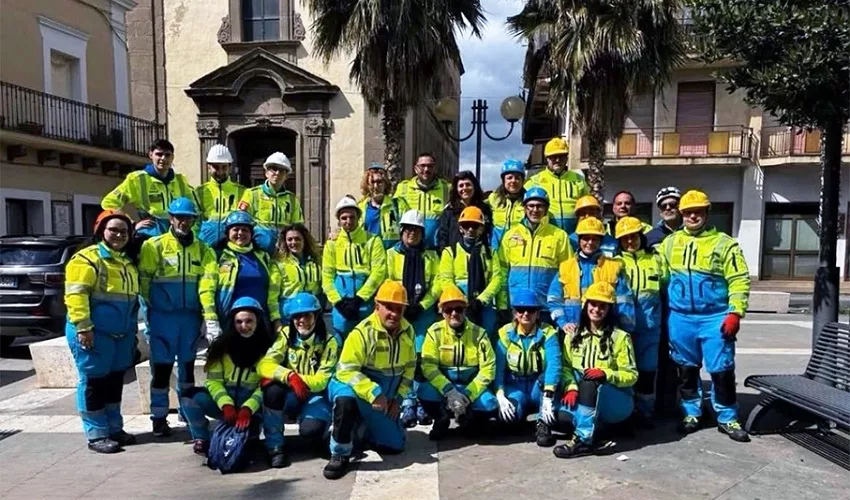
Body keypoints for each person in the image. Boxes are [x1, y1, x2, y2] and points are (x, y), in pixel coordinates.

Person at [658, 190, 751, 442]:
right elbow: (660, 276)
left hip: (715, 317)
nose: (693, 216)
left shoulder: (725, 243)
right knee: (686, 370)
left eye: (698, 211)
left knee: (721, 369)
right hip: (680, 318)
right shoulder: (670, 243)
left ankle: (728, 417)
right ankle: (691, 412)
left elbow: (739, 279)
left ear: (707, 213)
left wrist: (735, 312)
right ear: (682, 214)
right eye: (688, 212)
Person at [138, 197, 217, 437]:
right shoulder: (154, 246)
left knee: (187, 369)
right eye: (179, 217)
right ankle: (159, 417)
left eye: (188, 217)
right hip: (163, 318)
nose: (183, 221)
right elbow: (144, 282)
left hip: (190, 319)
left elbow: (208, 284)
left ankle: (188, 410)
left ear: (194, 220)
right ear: (170, 218)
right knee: (161, 370)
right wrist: (148, 314)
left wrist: (209, 318)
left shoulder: (204, 249)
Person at [64, 210, 140, 453]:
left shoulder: (127, 261)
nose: (118, 235)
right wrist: (84, 328)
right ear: (101, 231)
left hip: (120, 334)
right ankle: (96, 434)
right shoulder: (86, 259)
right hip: (94, 334)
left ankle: (114, 428)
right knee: (93, 382)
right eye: (113, 230)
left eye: (123, 231)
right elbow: (76, 295)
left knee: (114, 381)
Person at [324, 281, 416, 480]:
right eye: (389, 308)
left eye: (399, 309)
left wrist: (398, 400)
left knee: (395, 445)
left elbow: (409, 370)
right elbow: (346, 371)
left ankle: (360, 428)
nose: (394, 314)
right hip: (353, 390)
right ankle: (339, 453)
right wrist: (373, 392)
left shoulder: (408, 331)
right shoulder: (362, 333)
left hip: (382, 399)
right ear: (377, 307)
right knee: (345, 403)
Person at [553, 282, 638, 459]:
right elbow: (566, 367)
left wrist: (607, 374)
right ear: (586, 305)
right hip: (584, 399)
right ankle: (599, 432)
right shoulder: (573, 335)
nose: (597, 310)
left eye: (602, 306)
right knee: (558, 417)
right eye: (593, 304)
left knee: (589, 382)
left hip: (615, 400)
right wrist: (570, 388)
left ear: (609, 309)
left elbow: (631, 375)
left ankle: (583, 441)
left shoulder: (620, 337)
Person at [180, 297, 274, 457]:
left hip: (251, 408)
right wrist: (226, 405)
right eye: (239, 322)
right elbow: (213, 381)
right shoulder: (220, 347)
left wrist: (247, 408)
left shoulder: (269, 350)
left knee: (245, 447)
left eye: (249, 321)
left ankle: (255, 433)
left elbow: (265, 388)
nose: (244, 326)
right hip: (224, 404)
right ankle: (202, 439)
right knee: (189, 399)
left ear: (258, 321)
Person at [258, 293, 340, 468]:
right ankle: (275, 447)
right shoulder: (286, 335)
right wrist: (289, 376)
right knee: (272, 391)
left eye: (307, 315)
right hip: (292, 392)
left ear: (317, 316)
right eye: (297, 316)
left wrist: (298, 379)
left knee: (311, 431)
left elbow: (321, 380)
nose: (301, 320)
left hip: (314, 396)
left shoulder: (329, 342)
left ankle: (322, 433)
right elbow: (264, 364)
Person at [419, 285, 498, 440]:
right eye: (448, 310)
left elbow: (488, 369)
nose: (454, 313)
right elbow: (428, 367)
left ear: (465, 310)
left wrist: (467, 396)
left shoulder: (479, 334)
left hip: (470, 386)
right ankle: (441, 419)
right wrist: (449, 391)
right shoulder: (434, 333)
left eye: (458, 309)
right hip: (445, 387)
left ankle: (469, 420)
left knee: (490, 404)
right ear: (441, 312)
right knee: (424, 391)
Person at [386, 209, 441, 428]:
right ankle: (407, 401)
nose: (412, 234)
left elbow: (437, 282)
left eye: (416, 230)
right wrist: (399, 306)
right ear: (401, 231)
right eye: (408, 229)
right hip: (399, 314)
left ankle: (420, 401)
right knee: (403, 358)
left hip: (422, 314)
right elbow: (386, 282)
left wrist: (423, 305)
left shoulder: (430, 256)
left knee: (421, 358)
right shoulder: (391, 255)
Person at [614, 217, 668, 423]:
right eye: (625, 238)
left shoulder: (656, 260)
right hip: (622, 329)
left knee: (647, 372)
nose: (630, 241)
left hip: (650, 328)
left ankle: (645, 412)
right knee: (624, 372)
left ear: (640, 236)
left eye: (633, 236)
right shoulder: (615, 263)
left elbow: (665, 287)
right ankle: (625, 414)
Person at [493, 288, 561, 447]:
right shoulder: (505, 333)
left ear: (538, 313)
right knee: (508, 417)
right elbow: (498, 368)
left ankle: (542, 424)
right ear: (514, 313)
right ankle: (521, 415)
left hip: (538, 384)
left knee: (553, 406)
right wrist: (500, 394)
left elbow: (554, 364)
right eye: (520, 310)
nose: (525, 314)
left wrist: (548, 395)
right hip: (514, 384)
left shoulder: (548, 333)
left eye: (531, 310)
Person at [200, 211, 280, 339]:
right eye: (235, 230)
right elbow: (206, 289)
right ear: (227, 233)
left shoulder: (263, 256)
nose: (240, 233)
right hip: (229, 322)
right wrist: (211, 320)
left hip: (260, 321)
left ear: (251, 234)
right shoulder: (217, 255)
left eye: (245, 230)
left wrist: (275, 318)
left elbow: (273, 291)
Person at [548, 217, 635, 333]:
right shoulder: (565, 267)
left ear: (601, 241)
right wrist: (563, 323)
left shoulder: (613, 267)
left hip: (605, 332)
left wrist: (624, 331)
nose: (590, 242)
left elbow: (624, 302)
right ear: (579, 240)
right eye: (586, 238)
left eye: (594, 239)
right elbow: (553, 299)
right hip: (573, 331)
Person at [499, 187, 572, 324]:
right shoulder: (510, 235)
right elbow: (502, 272)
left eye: (540, 206)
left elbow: (567, 273)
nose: (535, 210)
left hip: (545, 307)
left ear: (546, 209)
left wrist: (563, 304)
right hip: (517, 306)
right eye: (531, 205)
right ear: (525, 208)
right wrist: (503, 304)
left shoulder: (559, 236)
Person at [101, 139, 196, 239]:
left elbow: (194, 206)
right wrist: (131, 224)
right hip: (150, 233)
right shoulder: (137, 179)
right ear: (151, 155)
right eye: (159, 154)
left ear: (172, 157)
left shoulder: (181, 180)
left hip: (177, 232)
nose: (163, 158)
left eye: (167, 155)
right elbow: (109, 203)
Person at [323, 196, 387, 339]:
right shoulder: (332, 244)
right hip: (341, 304)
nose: (348, 221)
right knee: (340, 343)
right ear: (338, 220)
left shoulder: (373, 240)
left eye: (352, 217)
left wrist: (360, 298)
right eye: (344, 218)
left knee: (368, 341)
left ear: (358, 217)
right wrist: (338, 302)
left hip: (366, 303)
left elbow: (378, 272)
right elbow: (327, 277)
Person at [438, 206, 504, 336]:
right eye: (466, 225)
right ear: (460, 228)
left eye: (475, 226)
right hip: (459, 307)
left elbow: (497, 278)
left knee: (486, 337)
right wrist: (461, 300)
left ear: (481, 229)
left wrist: (481, 300)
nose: (470, 229)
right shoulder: (450, 252)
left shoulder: (491, 252)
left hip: (484, 306)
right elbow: (445, 280)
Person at [238, 152, 304, 253]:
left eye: (282, 170)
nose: (277, 173)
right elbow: (242, 222)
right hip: (257, 249)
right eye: (273, 169)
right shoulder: (252, 194)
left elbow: (297, 227)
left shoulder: (292, 199)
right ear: (266, 173)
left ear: (286, 176)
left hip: (283, 250)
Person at [524, 137, 589, 234]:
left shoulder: (579, 179)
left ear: (567, 157)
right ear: (547, 158)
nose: (557, 160)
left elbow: (587, 207)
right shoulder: (535, 181)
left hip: (575, 234)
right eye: (553, 156)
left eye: (561, 156)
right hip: (547, 234)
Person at [393, 152, 451, 249]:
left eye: (430, 166)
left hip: (435, 250)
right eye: (422, 166)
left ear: (435, 168)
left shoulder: (447, 189)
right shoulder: (403, 188)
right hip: (410, 248)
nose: (426, 169)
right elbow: (394, 217)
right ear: (415, 169)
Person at [194, 144, 246, 247]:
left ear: (230, 168)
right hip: (205, 246)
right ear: (208, 167)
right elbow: (194, 223)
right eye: (216, 167)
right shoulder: (199, 192)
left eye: (224, 167)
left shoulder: (242, 192)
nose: (220, 171)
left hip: (232, 246)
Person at [273, 224, 322, 321]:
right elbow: (272, 296)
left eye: (297, 239)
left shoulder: (317, 261)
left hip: (312, 313)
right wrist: (275, 319)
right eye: (289, 239)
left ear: (304, 240)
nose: (293, 242)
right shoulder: (279, 264)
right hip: (289, 316)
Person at [436, 170, 493, 251]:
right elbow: (443, 236)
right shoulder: (449, 211)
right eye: (461, 186)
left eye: (468, 184)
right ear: (456, 189)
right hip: (455, 257)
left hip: (478, 256)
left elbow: (488, 234)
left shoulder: (484, 209)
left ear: (474, 186)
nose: (464, 188)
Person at [359, 162, 407, 249]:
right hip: (369, 258)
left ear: (385, 184)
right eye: (372, 182)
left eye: (379, 182)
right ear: (367, 185)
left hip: (391, 258)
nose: (376, 186)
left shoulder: (398, 205)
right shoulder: (360, 208)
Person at [487, 159, 526, 251]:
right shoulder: (493, 198)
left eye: (517, 178)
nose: (513, 181)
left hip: (520, 250)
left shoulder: (528, 201)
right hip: (496, 250)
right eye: (509, 178)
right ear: (503, 180)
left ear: (522, 180)